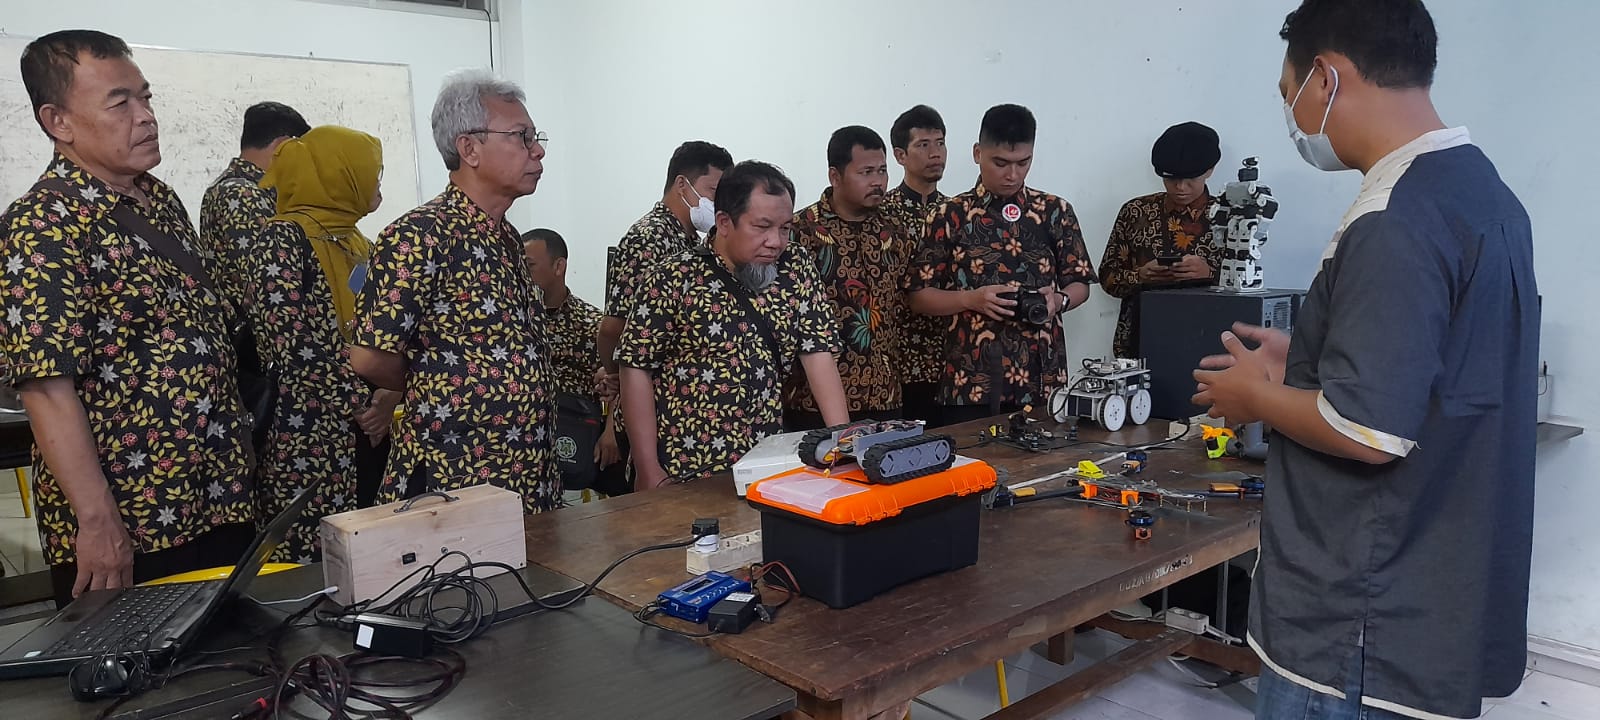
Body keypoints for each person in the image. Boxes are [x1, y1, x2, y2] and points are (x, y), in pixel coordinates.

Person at [1192, 2, 1537, 718]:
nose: (1292, 118)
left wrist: (1254, 399)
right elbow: (1434, 368)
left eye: (1288, 93)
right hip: (1429, 585)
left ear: (1325, 78)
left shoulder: (1396, 218)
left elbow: (1368, 431)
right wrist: (1309, 352)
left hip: (1354, 622)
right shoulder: (1479, 191)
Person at [2, 31, 253, 606]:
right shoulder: (43, 226)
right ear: (59, 122)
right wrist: (97, 523)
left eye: (146, 97)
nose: (145, 117)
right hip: (137, 522)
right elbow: (46, 389)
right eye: (120, 103)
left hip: (217, 497)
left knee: (232, 654)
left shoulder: (159, 201)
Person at [349, 69, 559, 513]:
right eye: (521, 136)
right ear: (469, 148)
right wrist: (441, 379)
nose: (537, 150)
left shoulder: (507, 238)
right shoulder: (419, 235)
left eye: (535, 137)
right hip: (455, 478)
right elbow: (368, 356)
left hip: (527, 476)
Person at [619, 161, 848, 490]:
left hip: (765, 465)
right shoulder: (674, 277)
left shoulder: (795, 266)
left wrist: (843, 445)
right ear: (724, 222)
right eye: (762, 227)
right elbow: (635, 368)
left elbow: (818, 355)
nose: (775, 241)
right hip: (685, 469)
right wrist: (647, 468)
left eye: (785, 228)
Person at [246, 125, 398, 562]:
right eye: (370, 171)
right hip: (309, 433)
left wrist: (388, 396)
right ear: (341, 174)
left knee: (371, 557)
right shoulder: (281, 239)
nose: (377, 182)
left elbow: (390, 331)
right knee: (315, 562)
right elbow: (291, 342)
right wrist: (362, 402)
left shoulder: (360, 243)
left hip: (369, 426)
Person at [907, 104, 1097, 426]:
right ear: (977, 153)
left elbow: (1080, 282)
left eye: (1024, 163)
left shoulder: (1054, 211)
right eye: (1000, 163)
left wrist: (1058, 300)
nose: (1013, 175)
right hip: (970, 381)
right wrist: (970, 299)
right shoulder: (949, 215)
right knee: (971, 458)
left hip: (1042, 377)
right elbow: (918, 296)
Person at [782, 126, 915, 431]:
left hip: (885, 394)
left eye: (882, 171)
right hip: (812, 400)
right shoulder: (801, 231)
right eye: (866, 172)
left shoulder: (895, 230)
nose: (878, 181)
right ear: (835, 176)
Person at [596, 141, 734, 390]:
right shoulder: (649, 239)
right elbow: (613, 328)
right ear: (682, 184)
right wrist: (618, 377)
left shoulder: (692, 241)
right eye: (714, 191)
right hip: (652, 388)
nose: (720, 203)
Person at [1099, 122, 1224, 358]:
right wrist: (1140, 276)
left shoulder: (1230, 217)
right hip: (1141, 341)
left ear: (1210, 170)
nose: (1180, 187)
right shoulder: (1136, 211)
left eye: (1190, 178)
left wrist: (1210, 273)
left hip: (1212, 341)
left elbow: (1249, 287)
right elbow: (1107, 278)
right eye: (1171, 179)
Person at [522, 228, 628, 500]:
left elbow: (617, 380)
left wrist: (611, 433)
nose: (521, 274)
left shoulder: (590, 323)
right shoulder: (513, 323)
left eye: (529, 266)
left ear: (559, 267)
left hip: (575, 437)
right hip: (523, 437)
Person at [198, 101, 311, 314]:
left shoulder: (236, 187)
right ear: (283, 145)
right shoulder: (244, 195)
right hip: (261, 328)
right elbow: (267, 283)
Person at [883, 105, 950, 427]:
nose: (935, 153)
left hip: (947, 360)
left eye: (940, 143)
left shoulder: (957, 213)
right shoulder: (882, 214)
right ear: (900, 155)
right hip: (895, 362)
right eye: (923, 145)